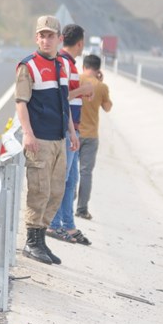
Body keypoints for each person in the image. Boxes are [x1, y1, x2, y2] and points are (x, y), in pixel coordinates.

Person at [14, 15, 78, 265]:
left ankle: (41, 240)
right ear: (36, 38)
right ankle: (32, 242)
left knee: (56, 191)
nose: (46, 39)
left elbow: (65, 103)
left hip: (59, 138)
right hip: (39, 139)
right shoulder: (28, 66)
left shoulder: (62, 65)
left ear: (60, 39)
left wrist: (72, 132)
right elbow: (21, 102)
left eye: (50, 35)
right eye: (42, 35)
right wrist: (28, 134)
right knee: (39, 191)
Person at [48, 24, 93, 245]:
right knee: (63, 179)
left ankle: (68, 224)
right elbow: (62, 98)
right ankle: (54, 223)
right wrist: (83, 91)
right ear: (80, 43)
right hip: (67, 130)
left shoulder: (69, 63)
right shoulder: (64, 62)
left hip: (73, 129)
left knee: (71, 179)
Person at [76, 54, 113, 220]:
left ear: (84, 66)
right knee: (86, 173)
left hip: (74, 132)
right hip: (91, 136)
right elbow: (107, 108)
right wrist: (102, 82)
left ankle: (64, 203)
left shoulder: (77, 79)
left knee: (69, 170)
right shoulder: (101, 86)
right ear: (98, 69)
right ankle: (82, 209)